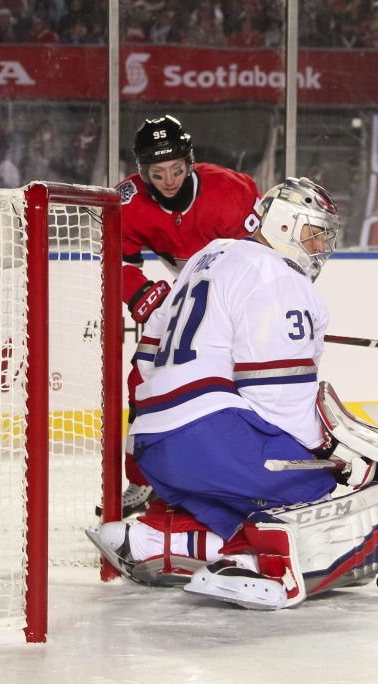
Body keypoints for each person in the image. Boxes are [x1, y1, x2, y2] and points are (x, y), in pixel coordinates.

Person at [90, 177, 378, 610]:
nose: (319, 248)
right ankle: (260, 568)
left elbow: (143, 364)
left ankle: (153, 538)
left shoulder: (206, 256)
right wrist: (327, 456)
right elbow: (278, 398)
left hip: (153, 447)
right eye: (314, 234)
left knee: (237, 497)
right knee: (318, 485)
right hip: (206, 439)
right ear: (283, 226)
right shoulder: (280, 278)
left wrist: (150, 451)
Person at [111, 114, 261, 517]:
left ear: (191, 161)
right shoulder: (128, 201)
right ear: (143, 173)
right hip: (189, 293)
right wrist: (139, 290)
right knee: (142, 376)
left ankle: (254, 475)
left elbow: (262, 262)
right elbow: (114, 258)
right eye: (158, 174)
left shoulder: (231, 191)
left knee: (246, 383)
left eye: (177, 170)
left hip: (241, 293)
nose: (170, 181)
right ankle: (140, 480)